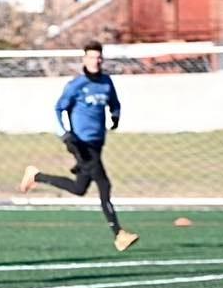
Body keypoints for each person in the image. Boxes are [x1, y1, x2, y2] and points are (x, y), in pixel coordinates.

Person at [19, 40, 139, 252]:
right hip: (80, 144)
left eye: (99, 56)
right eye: (92, 56)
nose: (96, 60)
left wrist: (115, 116)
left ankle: (36, 176)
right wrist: (64, 134)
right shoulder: (76, 85)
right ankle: (119, 234)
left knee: (79, 188)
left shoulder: (106, 82)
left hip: (97, 143)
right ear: (85, 59)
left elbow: (114, 103)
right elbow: (58, 108)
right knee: (104, 184)